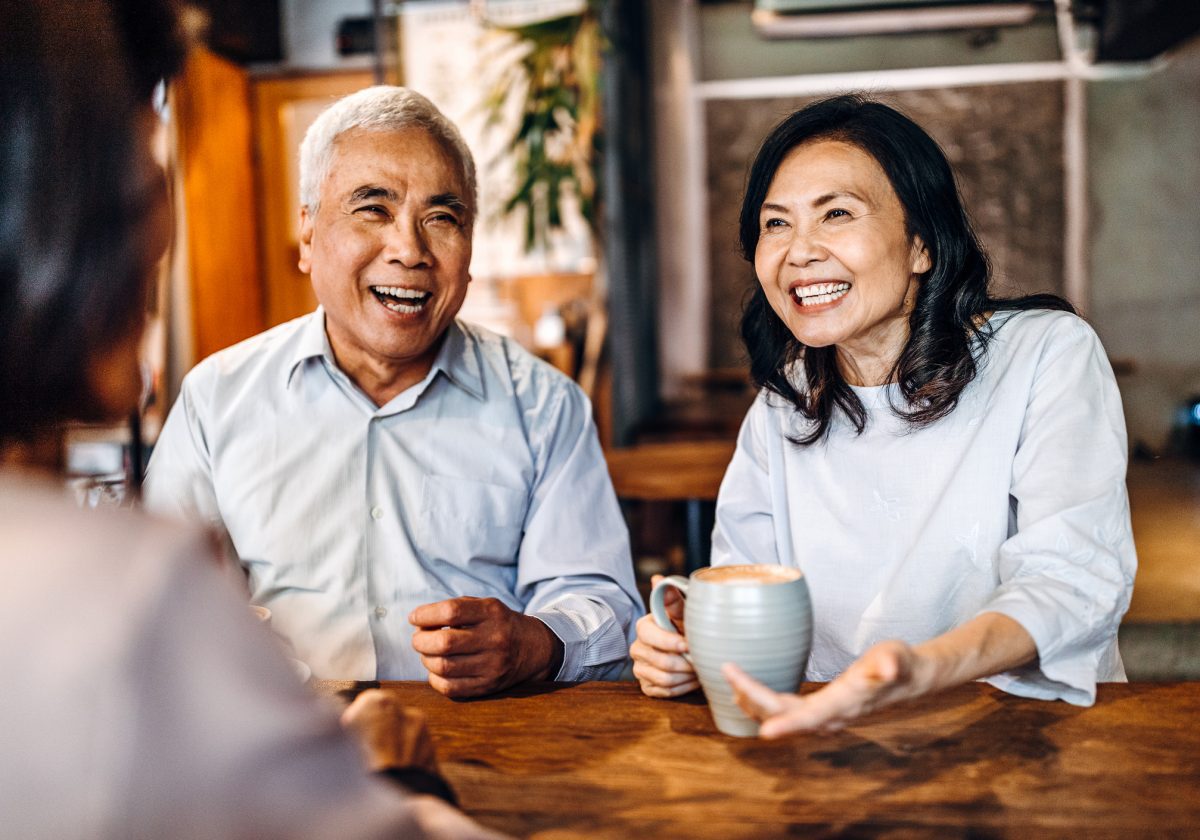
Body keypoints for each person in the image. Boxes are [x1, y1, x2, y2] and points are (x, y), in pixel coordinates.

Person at [0, 1, 500, 836]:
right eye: (142, 175)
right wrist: (392, 775)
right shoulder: (126, 594)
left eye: (441, 217)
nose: (161, 224)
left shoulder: (538, 402)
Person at [630, 94, 1136, 737]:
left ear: (921, 244)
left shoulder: (1044, 353)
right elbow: (745, 582)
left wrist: (920, 671)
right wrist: (685, 646)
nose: (800, 251)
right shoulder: (784, 402)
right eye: (776, 224)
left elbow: (1073, 578)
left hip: (1026, 735)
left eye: (836, 214)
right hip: (829, 742)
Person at [144, 85, 642, 696]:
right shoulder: (216, 400)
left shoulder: (543, 405)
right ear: (308, 235)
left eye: (442, 218)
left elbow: (603, 604)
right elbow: (158, 600)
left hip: (491, 749)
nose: (409, 250)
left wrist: (534, 643)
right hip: (281, 744)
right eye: (372, 210)